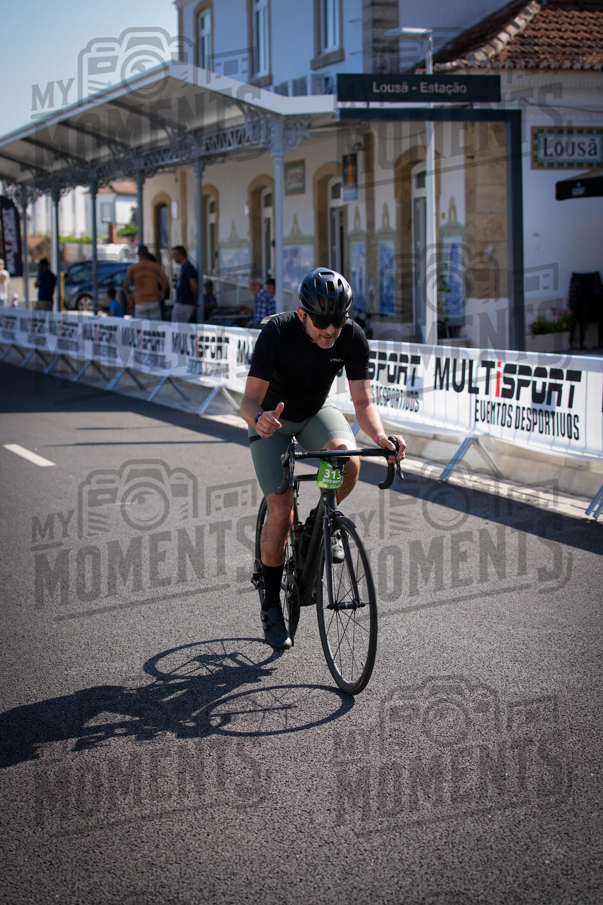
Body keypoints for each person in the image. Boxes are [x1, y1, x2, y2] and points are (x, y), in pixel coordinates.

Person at [240, 267, 406, 651]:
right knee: (280, 511)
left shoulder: (352, 336)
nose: (331, 331)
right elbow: (247, 401)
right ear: (302, 315)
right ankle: (270, 604)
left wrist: (381, 438)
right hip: (272, 422)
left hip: (315, 412)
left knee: (349, 461)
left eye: (338, 321)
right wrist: (259, 419)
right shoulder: (278, 332)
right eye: (322, 322)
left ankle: (320, 522)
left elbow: (362, 403)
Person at [122, 245, 168, 320]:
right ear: (147, 254)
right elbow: (165, 280)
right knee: (155, 328)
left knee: (141, 329)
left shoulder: (133, 268)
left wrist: (130, 293)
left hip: (140, 302)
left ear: (138, 254)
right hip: (154, 301)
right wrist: (163, 291)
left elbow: (125, 284)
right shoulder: (155, 266)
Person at [170, 245, 199, 323]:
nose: (173, 258)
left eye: (174, 255)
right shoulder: (183, 267)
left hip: (185, 302)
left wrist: (195, 299)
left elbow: (193, 284)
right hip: (181, 301)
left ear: (180, 255)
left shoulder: (188, 267)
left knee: (177, 326)